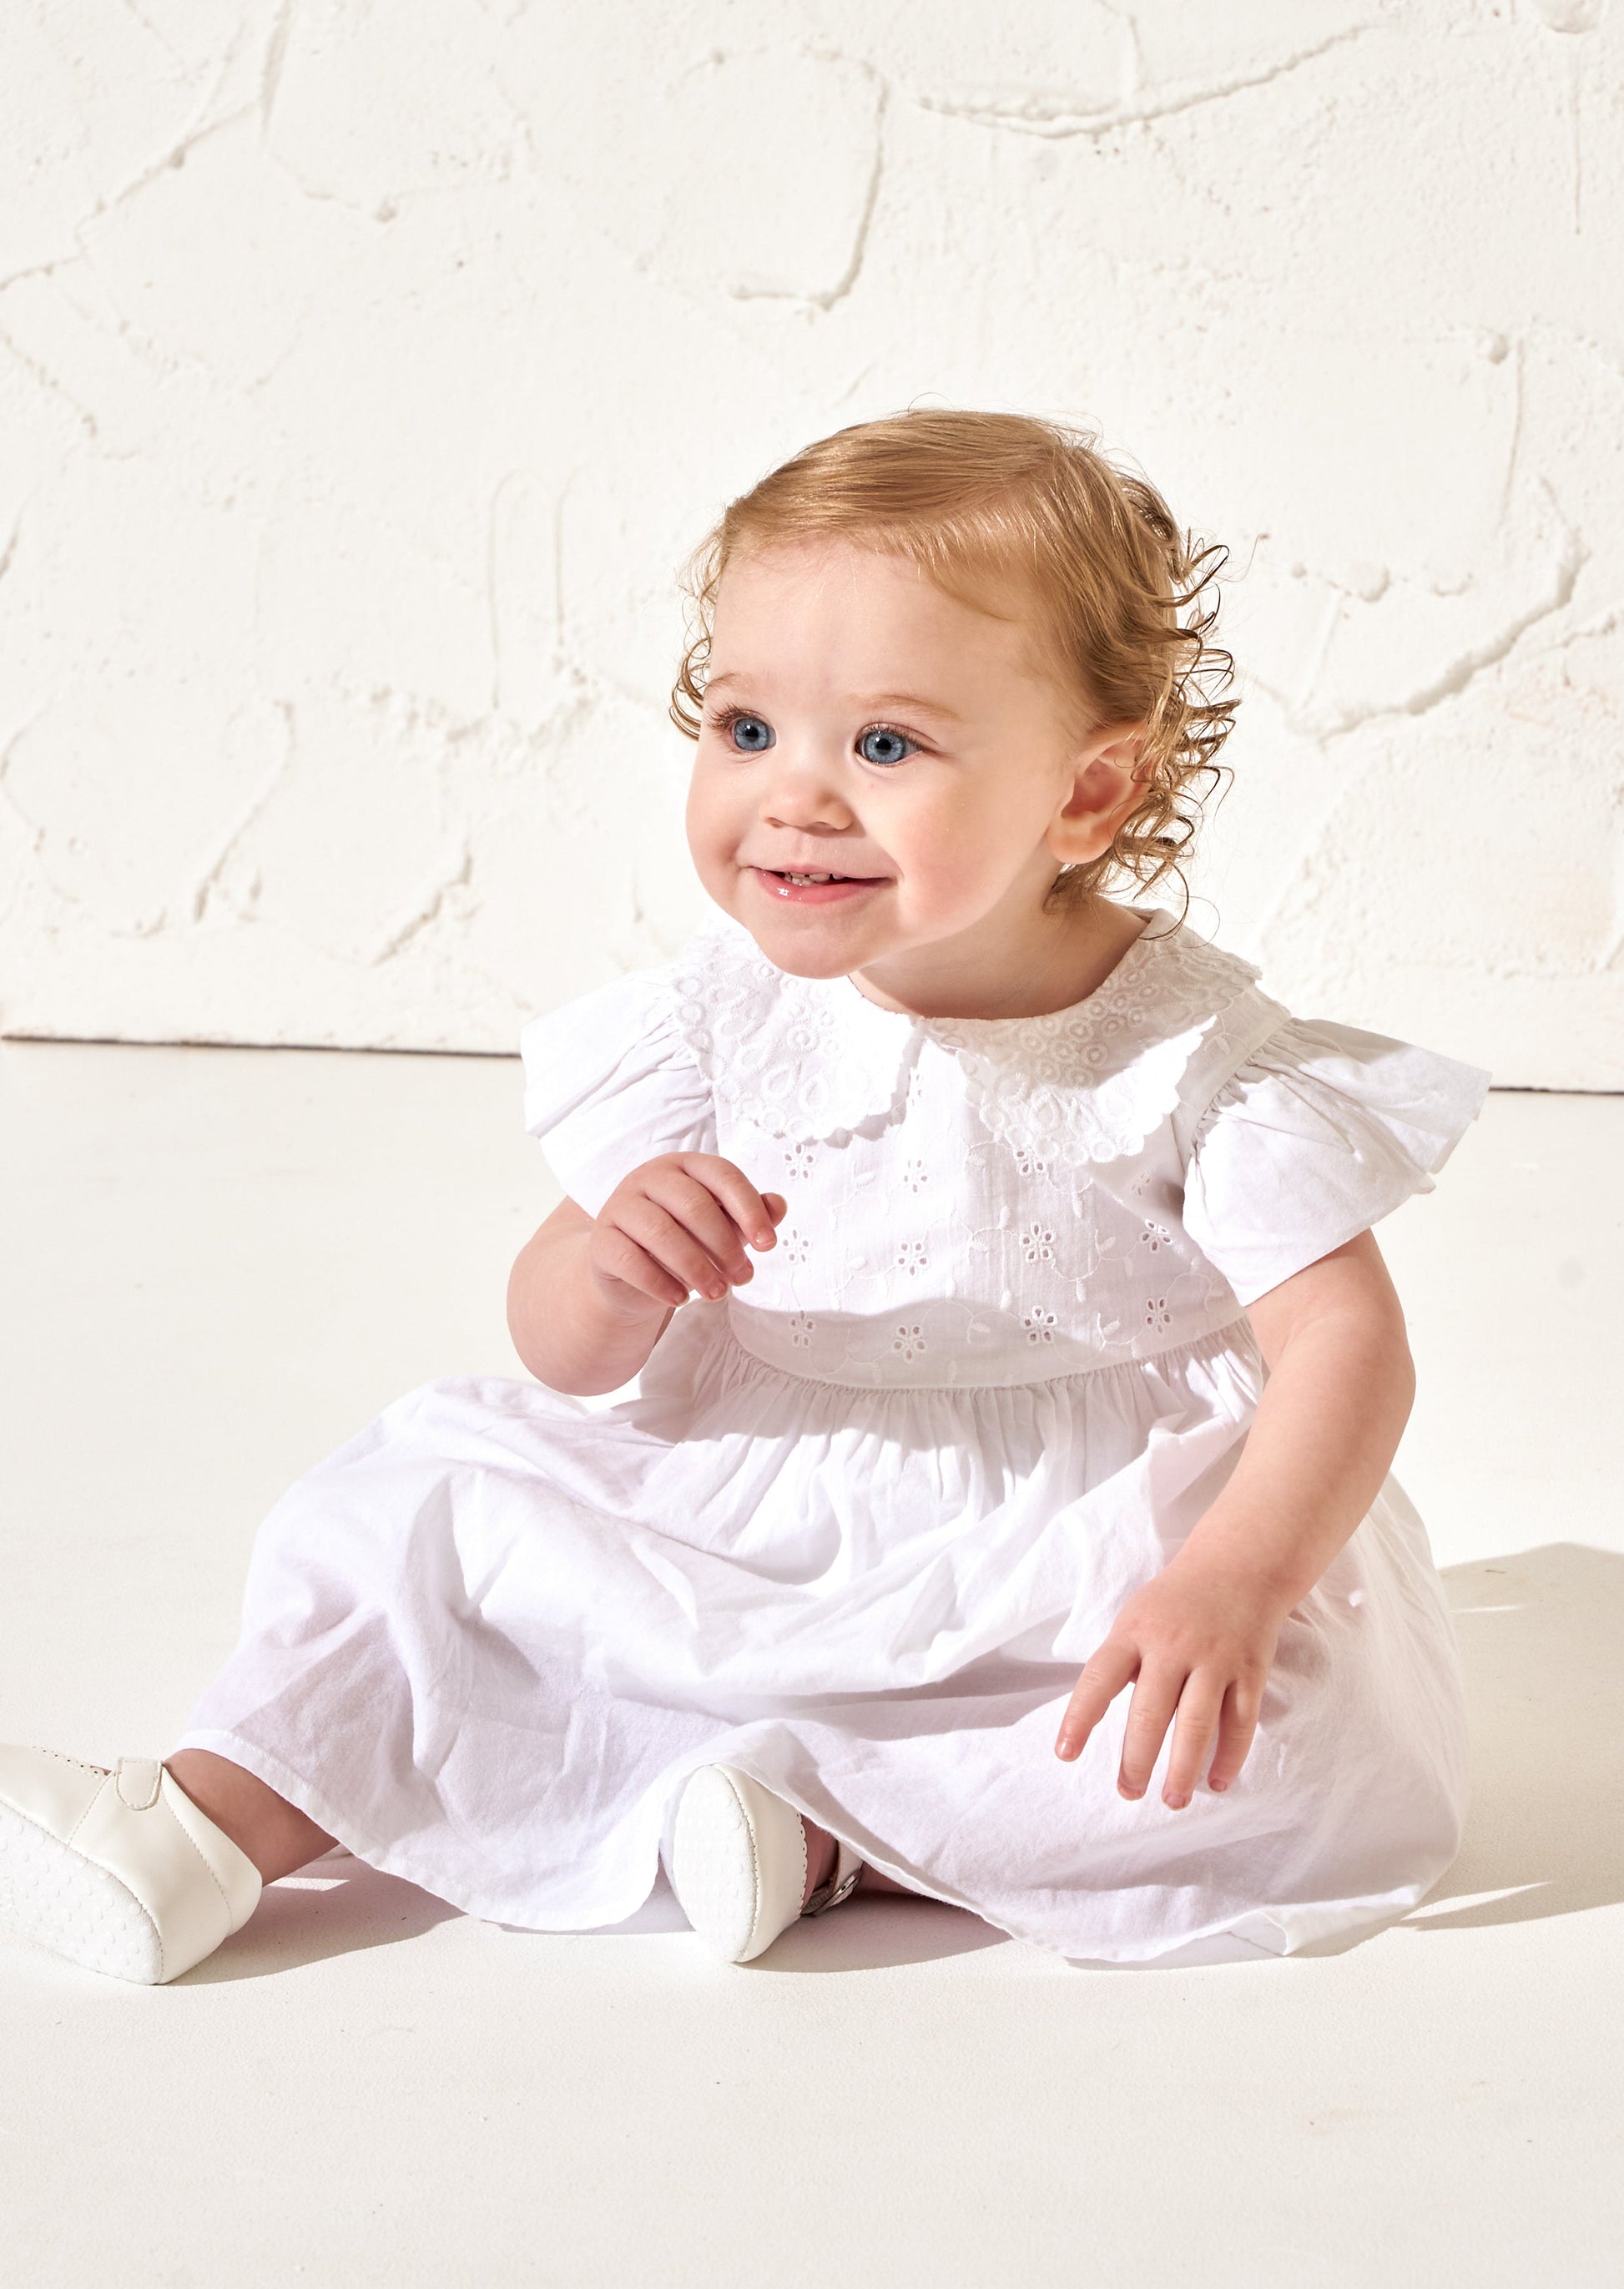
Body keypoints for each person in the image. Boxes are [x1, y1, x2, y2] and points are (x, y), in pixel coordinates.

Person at [0, 411, 1490, 1982]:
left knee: (1296, 1738)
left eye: (886, 746)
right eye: (747, 726)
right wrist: (610, 1263)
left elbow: (1344, 1345)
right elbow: (560, 1355)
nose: (796, 798)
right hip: (749, 1497)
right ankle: (210, 1821)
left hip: (1077, 1546)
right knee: (428, 1526)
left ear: (1086, 794)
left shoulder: (1192, 1054)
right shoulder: (718, 1018)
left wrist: (1232, 1579)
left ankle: (830, 1834)